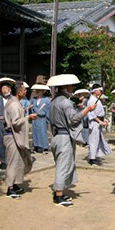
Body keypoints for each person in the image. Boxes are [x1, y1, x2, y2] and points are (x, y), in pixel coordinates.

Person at [47, 74, 97, 206]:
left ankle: (58, 191)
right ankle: (58, 195)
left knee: (60, 165)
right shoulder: (65, 101)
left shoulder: (53, 102)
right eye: (70, 86)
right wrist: (87, 109)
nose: (72, 88)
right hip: (63, 137)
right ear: (65, 87)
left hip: (56, 136)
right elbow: (74, 118)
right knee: (63, 166)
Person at [3, 81, 37, 199]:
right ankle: (9, 188)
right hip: (12, 136)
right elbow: (16, 123)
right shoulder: (13, 104)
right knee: (12, 163)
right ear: (18, 92)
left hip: (15, 136)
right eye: (24, 89)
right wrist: (28, 117)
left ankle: (15, 184)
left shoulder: (15, 102)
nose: (25, 91)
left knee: (19, 162)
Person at [0, 77, 15, 172]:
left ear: (9, 89)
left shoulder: (13, 99)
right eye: (2, 89)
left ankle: (8, 162)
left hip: (10, 125)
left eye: (5, 88)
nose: (4, 90)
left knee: (8, 144)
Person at [87, 84, 112, 165]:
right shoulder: (91, 100)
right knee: (93, 140)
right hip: (94, 123)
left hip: (98, 122)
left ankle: (95, 156)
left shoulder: (96, 100)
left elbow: (99, 113)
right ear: (95, 91)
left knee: (97, 140)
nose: (100, 92)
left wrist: (104, 119)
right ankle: (92, 158)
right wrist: (99, 121)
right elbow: (92, 114)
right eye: (99, 90)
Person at [30, 84, 51, 154]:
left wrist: (47, 119)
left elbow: (48, 110)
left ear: (42, 91)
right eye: (37, 91)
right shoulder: (33, 99)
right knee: (35, 133)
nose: (38, 92)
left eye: (40, 91)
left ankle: (45, 148)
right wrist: (30, 107)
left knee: (43, 133)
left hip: (42, 118)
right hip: (35, 118)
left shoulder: (46, 100)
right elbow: (30, 107)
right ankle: (35, 146)